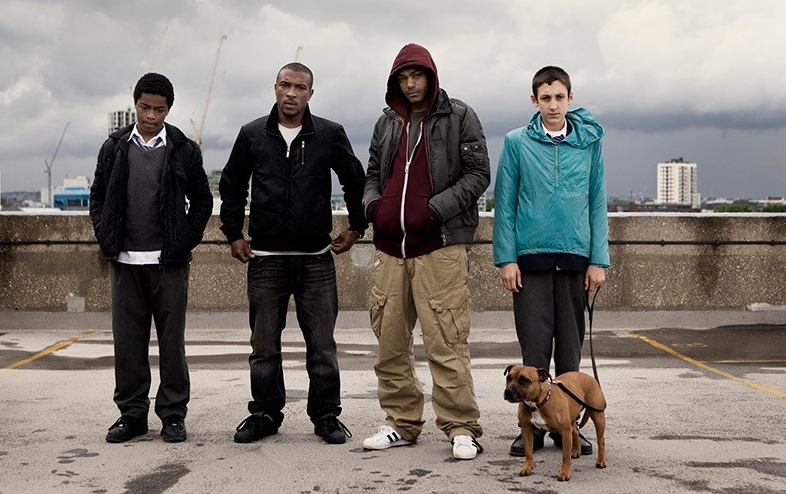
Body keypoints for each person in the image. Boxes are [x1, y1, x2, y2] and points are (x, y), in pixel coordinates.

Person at [219, 62, 367, 445]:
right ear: (274, 88)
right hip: (264, 258)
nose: (291, 93)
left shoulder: (330, 134)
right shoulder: (252, 134)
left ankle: (326, 416)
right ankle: (265, 413)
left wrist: (356, 227)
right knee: (263, 346)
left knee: (322, 346)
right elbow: (232, 186)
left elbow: (355, 181)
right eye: (285, 85)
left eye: (300, 87)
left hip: (316, 258)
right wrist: (233, 233)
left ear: (310, 94)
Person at [361, 43, 490, 460]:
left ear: (431, 77)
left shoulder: (459, 115)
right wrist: (373, 207)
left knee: (446, 340)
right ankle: (401, 422)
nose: (411, 84)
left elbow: (479, 174)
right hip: (390, 248)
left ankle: (461, 426)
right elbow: (373, 173)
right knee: (390, 341)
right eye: (404, 77)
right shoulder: (387, 122)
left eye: (417, 76)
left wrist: (435, 209)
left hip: (439, 246)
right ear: (395, 81)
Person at [492, 65, 610, 458]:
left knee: (570, 351)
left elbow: (597, 202)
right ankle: (530, 427)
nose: (553, 104)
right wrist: (507, 258)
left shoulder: (590, 143)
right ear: (534, 101)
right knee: (534, 347)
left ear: (570, 98)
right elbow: (504, 203)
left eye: (560, 97)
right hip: (530, 257)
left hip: (576, 257)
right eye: (546, 98)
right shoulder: (516, 142)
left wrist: (599, 260)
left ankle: (566, 428)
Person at [90, 72, 214, 444]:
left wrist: (183, 243)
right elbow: (97, 197)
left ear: (169, 109)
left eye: (159, 110)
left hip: (169, 264)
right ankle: (131, 415)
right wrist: (105, 236)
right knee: (127, 344)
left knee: (172, 344)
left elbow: (203, 200)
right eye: (145, 108)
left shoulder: (183, 148)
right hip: (125, 262)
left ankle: (173, 416)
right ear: (135, 103)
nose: (151, 116)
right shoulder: (114, 147)